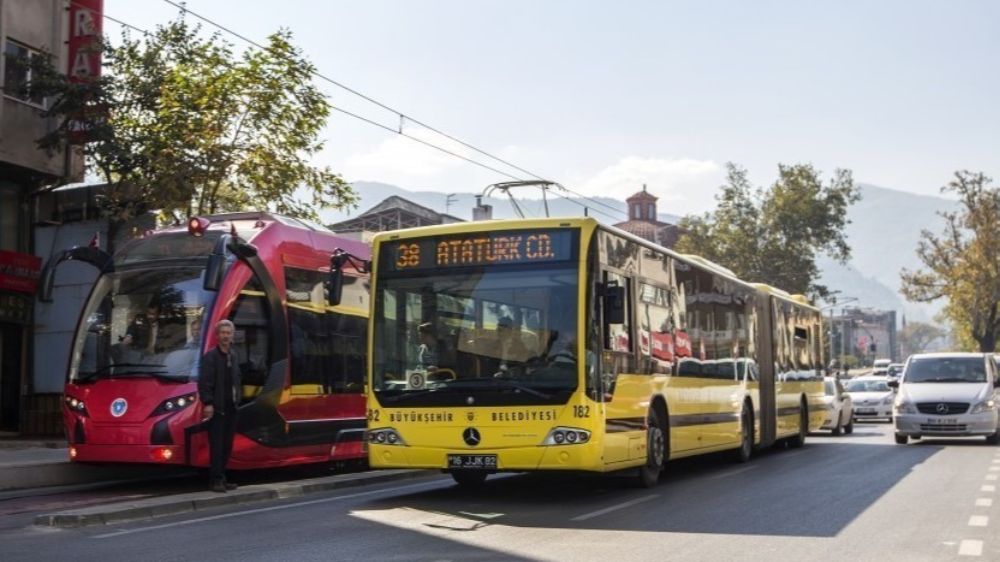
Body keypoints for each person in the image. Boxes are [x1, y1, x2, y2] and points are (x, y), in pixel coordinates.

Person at [197, 319, 242, 493]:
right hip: (217, 408)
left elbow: (237, 379)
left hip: (231, 407)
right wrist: (208, 403)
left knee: (227, 445)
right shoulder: (210, 357)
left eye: (228, 333)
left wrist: (238, 399)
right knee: (217, 446)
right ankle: (215, 480)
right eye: (222, 333)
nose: (225, 336)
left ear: (232, 336)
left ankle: (222, 478)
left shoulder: (234, 355)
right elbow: (205, 383)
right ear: (217, 336)